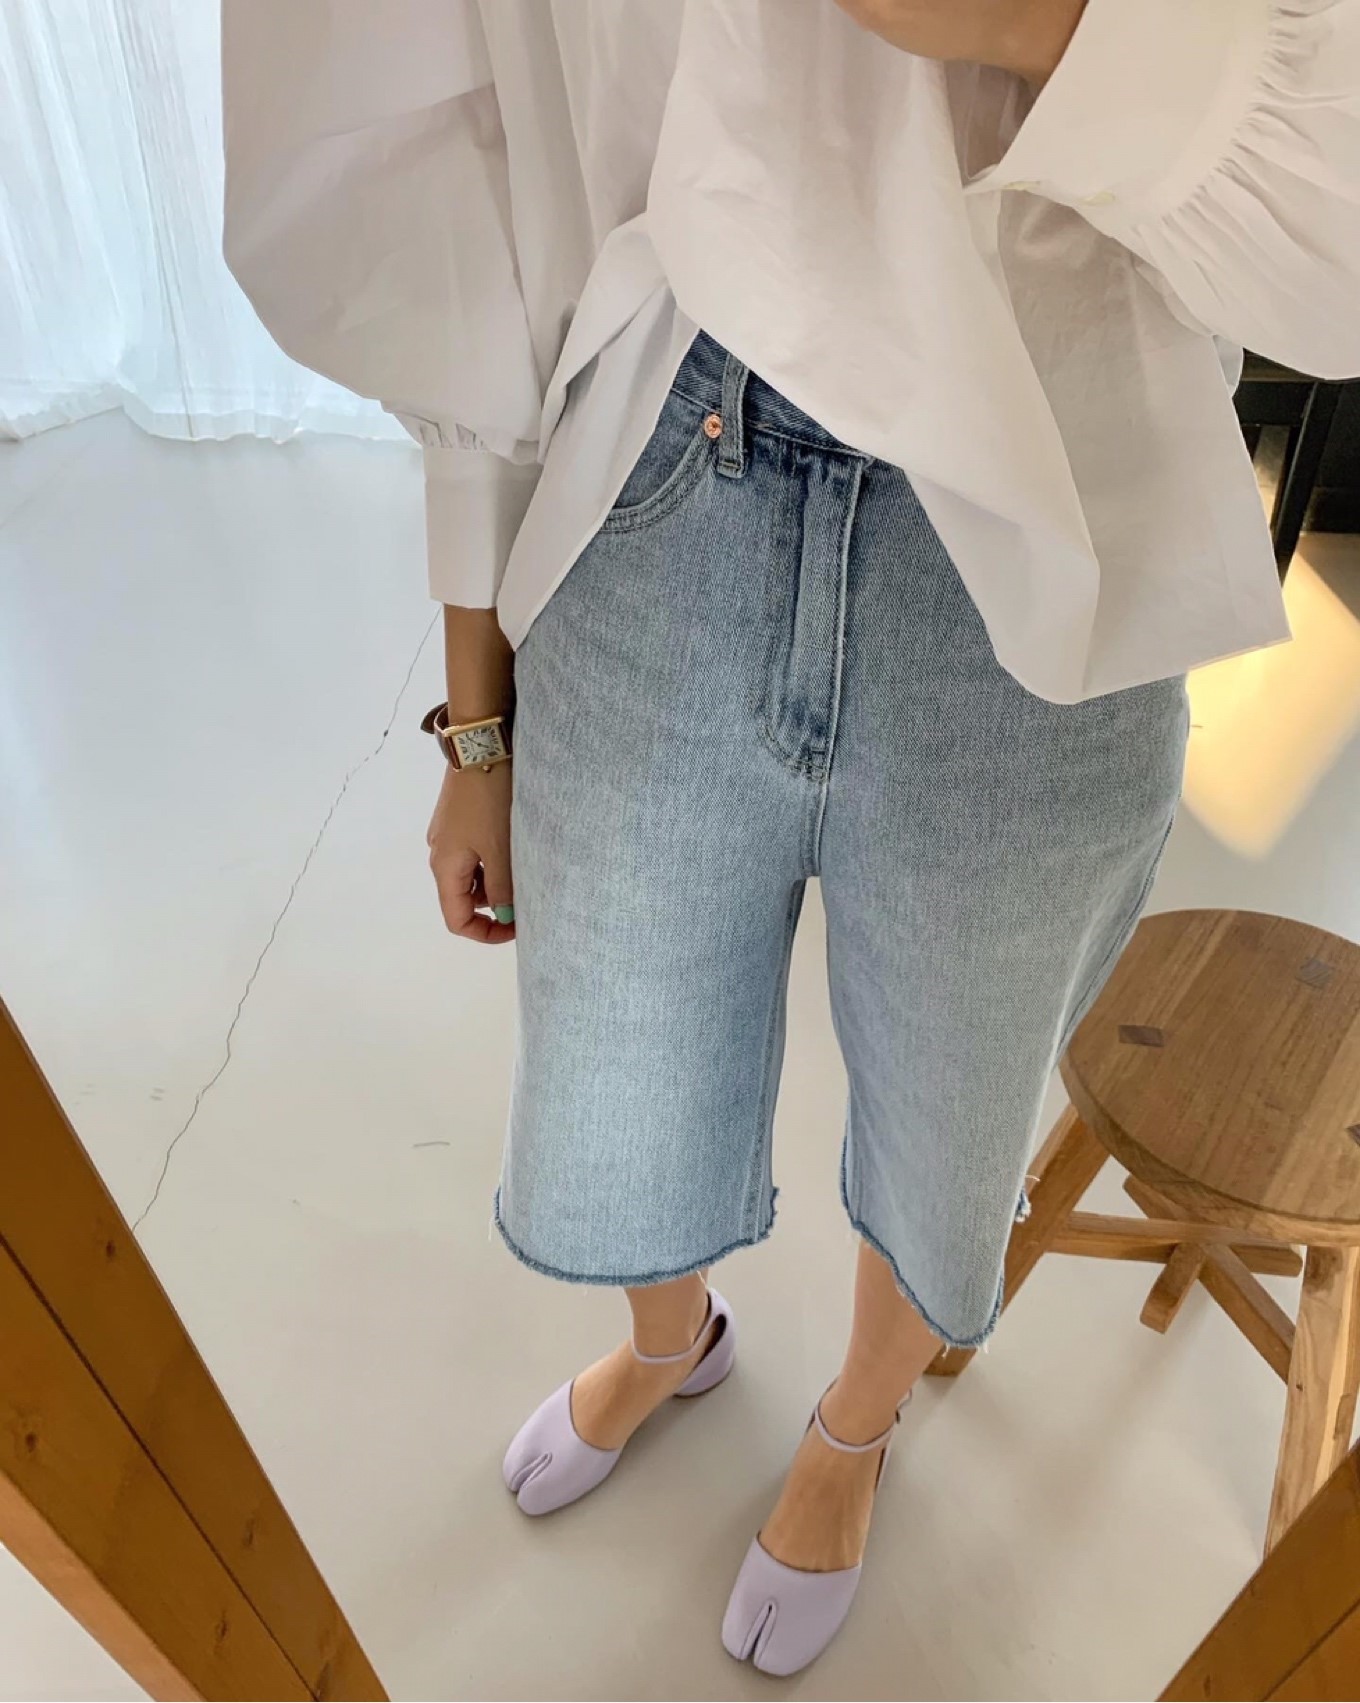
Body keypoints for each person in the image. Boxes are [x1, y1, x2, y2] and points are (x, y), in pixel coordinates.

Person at [221, 0, 1360, 1676]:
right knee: (617, 1073)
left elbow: (1331, 252)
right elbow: (471, 196)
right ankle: (670, 1344)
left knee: (951, 1114)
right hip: (662, 470)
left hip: (1047, 521)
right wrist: (475, 729)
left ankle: (853, 1430)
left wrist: (1048, 26)